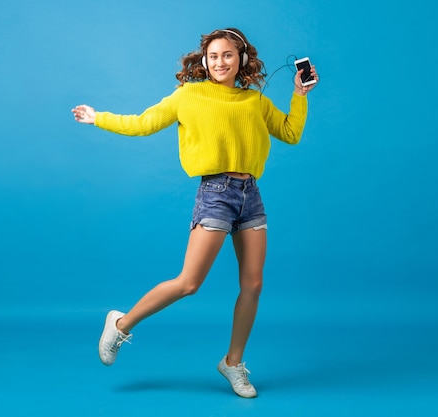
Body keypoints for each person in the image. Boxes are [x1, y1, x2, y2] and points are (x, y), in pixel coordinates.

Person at [71, 28, 318, 398]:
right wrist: (99, 117)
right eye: (214, 56)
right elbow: (143, 123)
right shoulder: (189, 95)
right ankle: (120, 323)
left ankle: (233, 363)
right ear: (204, 61)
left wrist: (299, 96)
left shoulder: (254, 101)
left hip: (251, 194)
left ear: (242, 60)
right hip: (216, 193)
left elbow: (290, 132)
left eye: (228, 55)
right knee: (189, 282)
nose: (220, 62)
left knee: (253, 284)